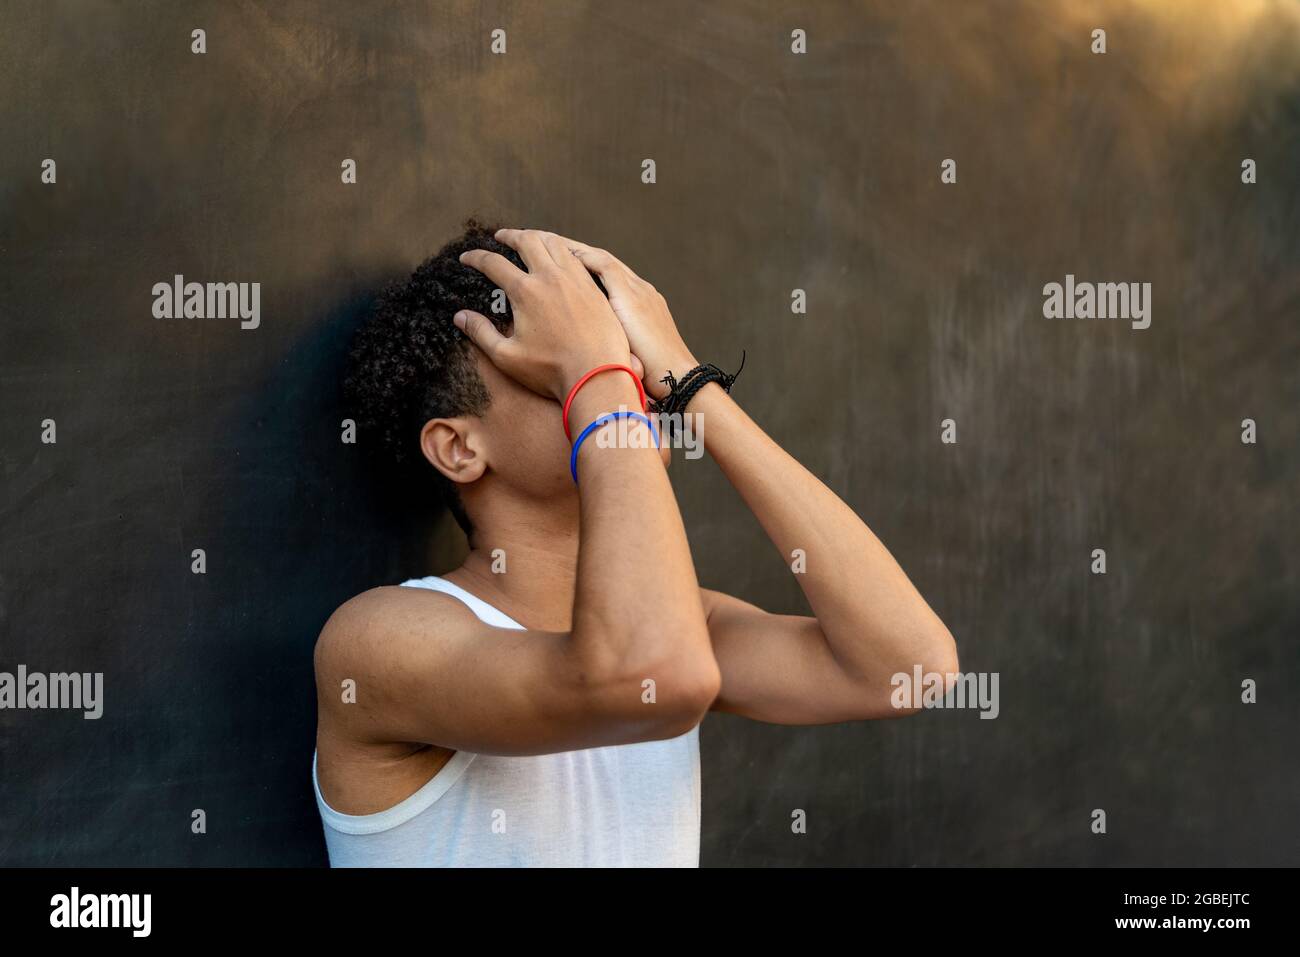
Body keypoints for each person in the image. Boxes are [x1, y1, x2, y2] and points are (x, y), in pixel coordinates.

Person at [312, 222, 957, 866]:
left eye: (627, 358)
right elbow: (649, 675)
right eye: (556, 371)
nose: (627, 380)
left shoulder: (683, 620)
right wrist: (595, 376)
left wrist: (692, 384)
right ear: (459, 448)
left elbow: (910, 669)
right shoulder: (378, 641)